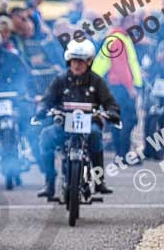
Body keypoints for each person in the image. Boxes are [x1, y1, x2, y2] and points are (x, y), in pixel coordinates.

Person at [37, 40, 120, 198]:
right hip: (63, 124)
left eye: (81, 61)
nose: (77, 65)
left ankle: (99, 180)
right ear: (69, 61)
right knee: (46, 136)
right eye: (74, 60)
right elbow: (47, 99)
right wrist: (41, 110)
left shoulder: (97, 81)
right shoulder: (60, 80)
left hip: (90, 124)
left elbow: (110, 102)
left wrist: (112, 113)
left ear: (89, 62)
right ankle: (49, 182)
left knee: (96, 135)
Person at [92, 17, 143, 160]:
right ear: (125, 22)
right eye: (132, 21)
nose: (135, 23)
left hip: (117, 87)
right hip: (121, 88)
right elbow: (121, 67)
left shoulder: (118, 37)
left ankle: (120, 154)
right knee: (128, 120)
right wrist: (130, 88)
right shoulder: (118, 39)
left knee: (118, 121)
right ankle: (123, 154)